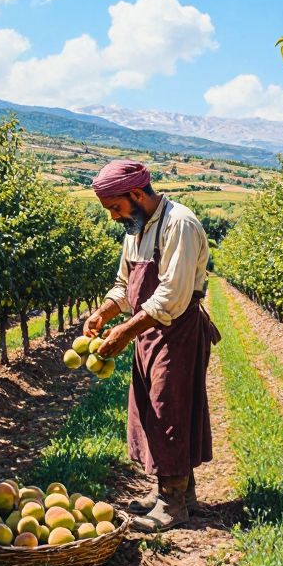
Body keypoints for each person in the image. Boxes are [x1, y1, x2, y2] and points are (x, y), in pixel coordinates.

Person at [84, 159, 219, 532]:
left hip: (176, 331)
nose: (114, 216)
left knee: (168, 411)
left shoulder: (180, 224)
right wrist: (105, 313)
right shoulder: (135, 228)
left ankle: (172, 504)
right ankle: (176, 492)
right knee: (152, 409)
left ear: (136, 194)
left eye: (116, 207)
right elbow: (124, 286)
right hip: (150, 333)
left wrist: (125, 332)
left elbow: (170, 297)